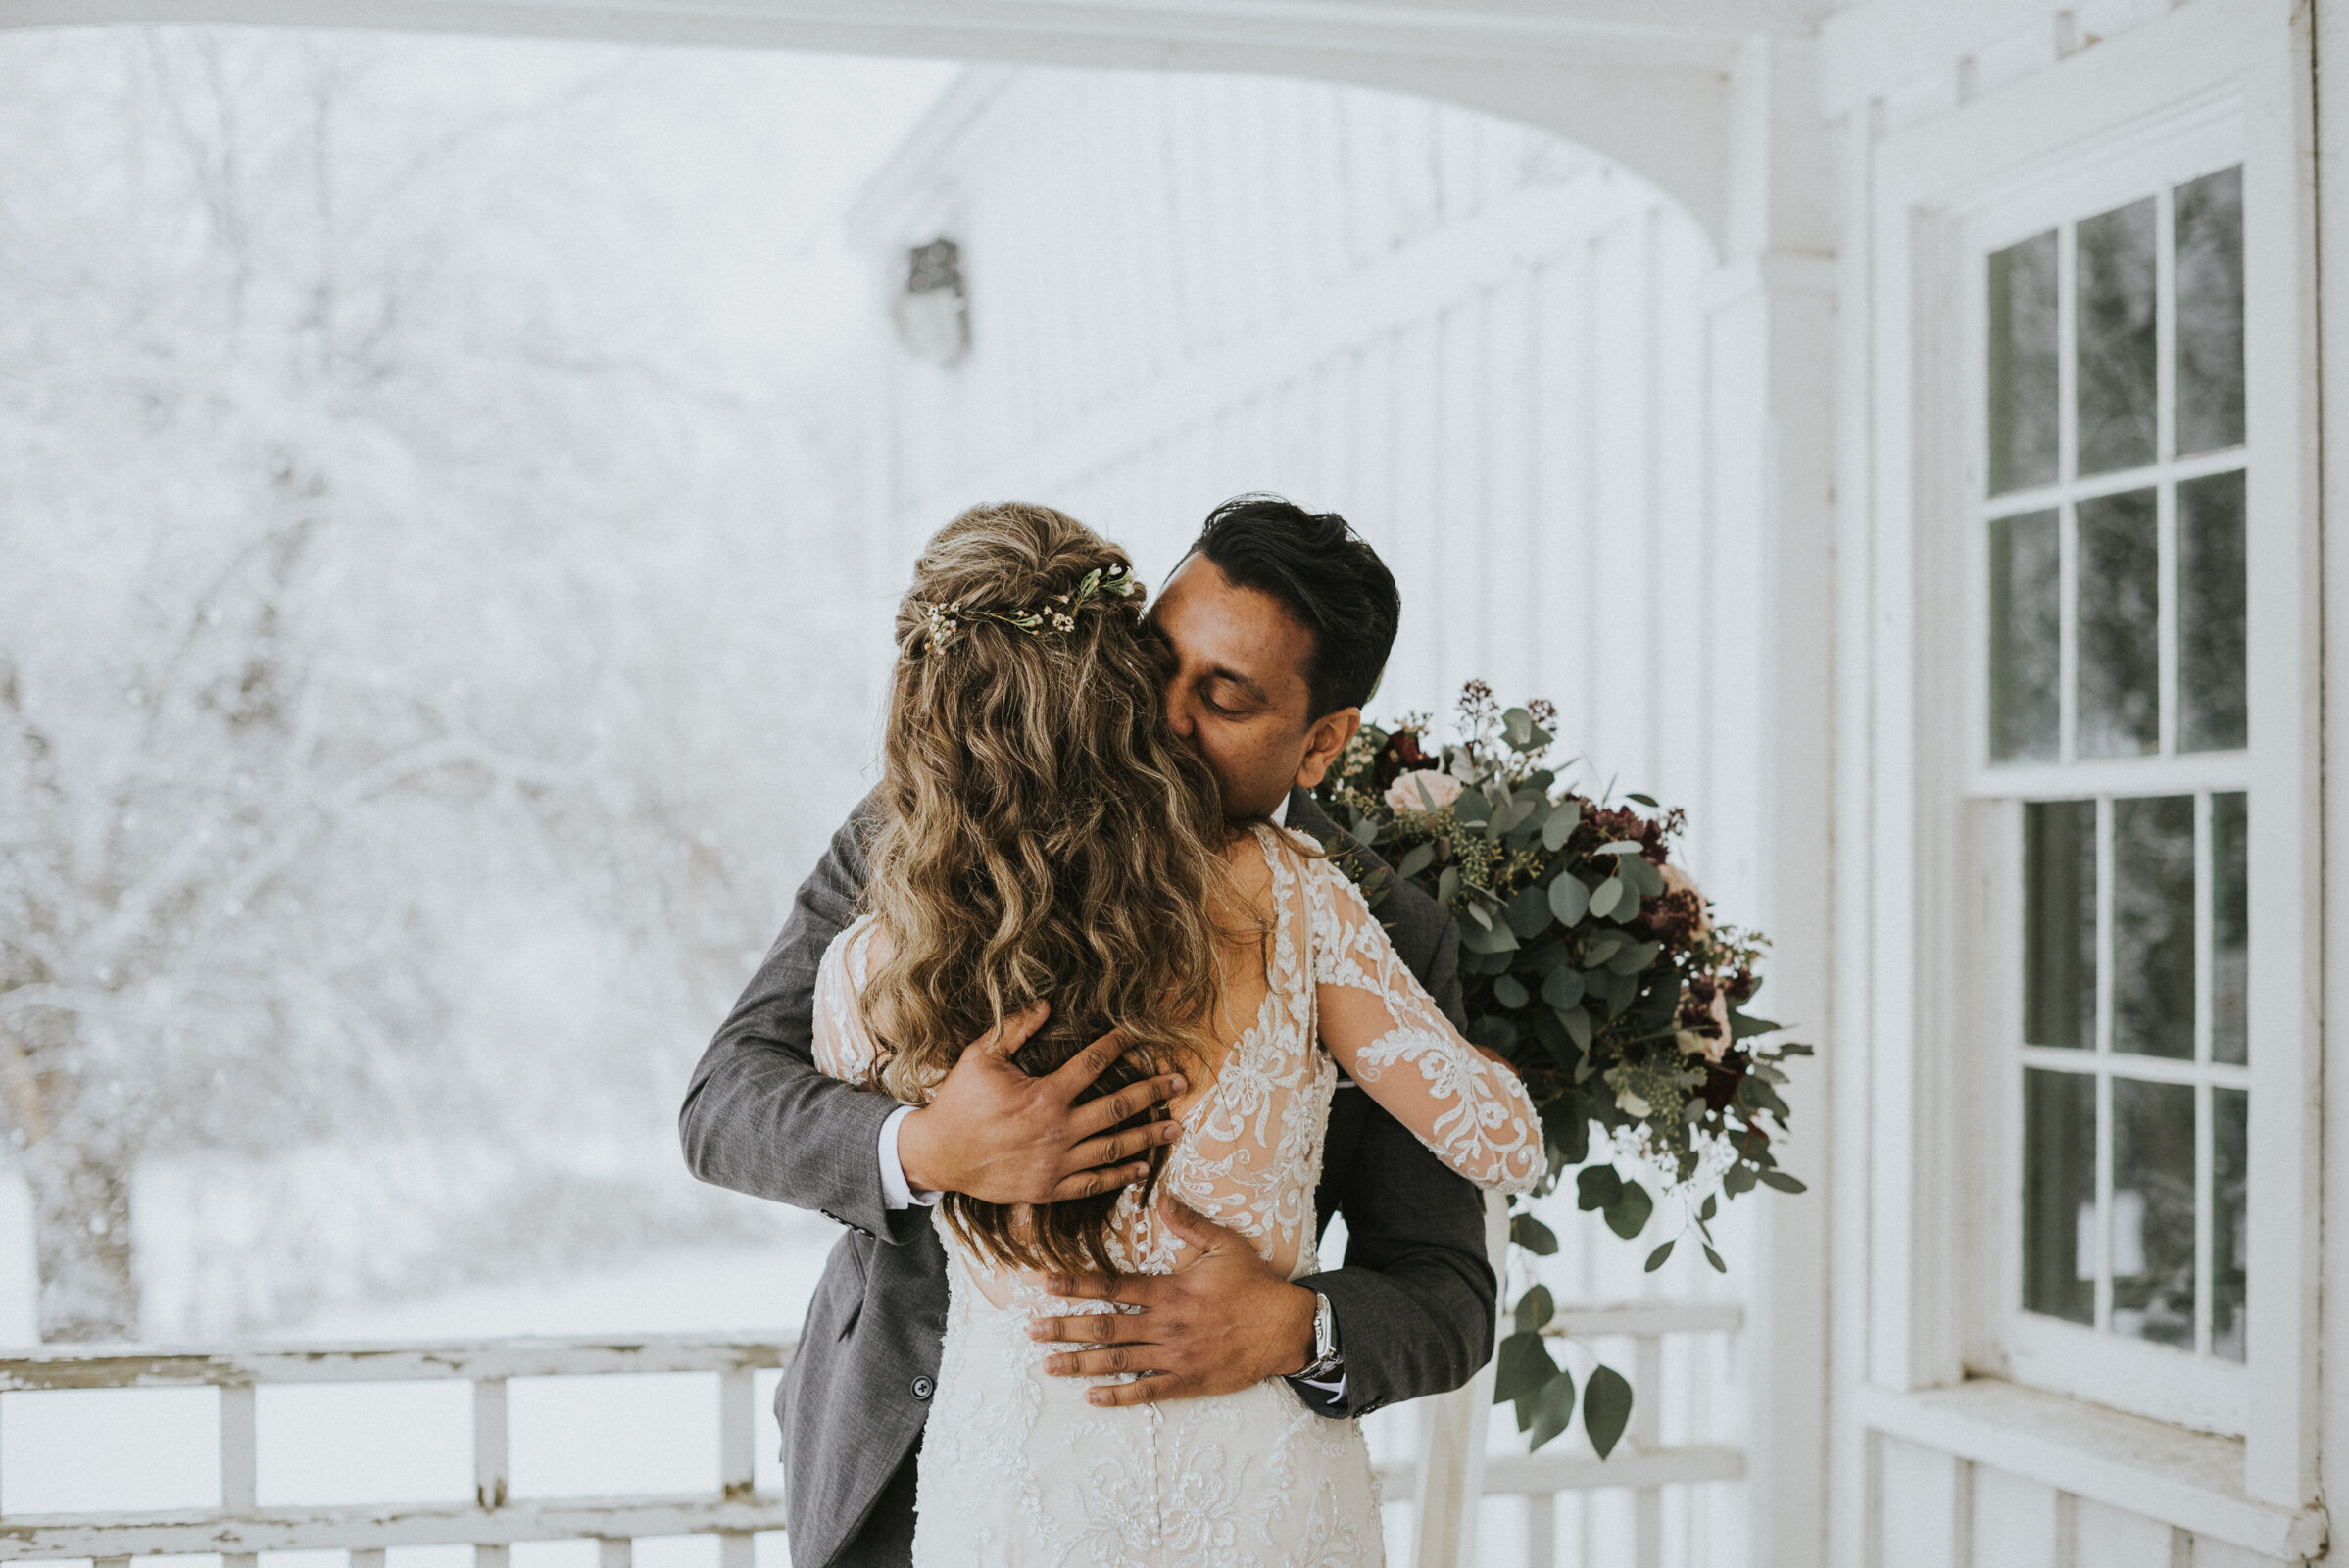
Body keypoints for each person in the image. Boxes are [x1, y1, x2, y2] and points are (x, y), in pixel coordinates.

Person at [680, 496, 1526, 1567]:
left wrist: (1290, 1326)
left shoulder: (1383, 929)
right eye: (1153, 659)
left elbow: (1446, 1295)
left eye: (1222, 697)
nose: (1160, 718)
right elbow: (725, 1103)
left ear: (1321, 743)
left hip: (1222, 1510)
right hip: (907, 1468)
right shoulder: (932, 818)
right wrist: (928, 1147)